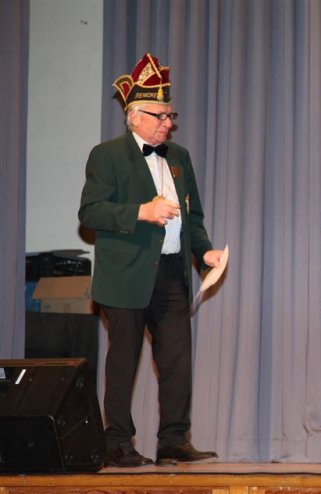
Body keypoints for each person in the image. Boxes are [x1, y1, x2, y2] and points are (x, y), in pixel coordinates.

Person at [79, 53, 223, 468]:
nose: (167, 123)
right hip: (126, 274)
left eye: (169, 115)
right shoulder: (107, 155)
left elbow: (193, 216)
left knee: (177, 359)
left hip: (172, 272)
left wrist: (204, 252)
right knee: (123, 361)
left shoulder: (179, 156)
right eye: (160, 116)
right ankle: (117, 443)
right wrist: (141, 211)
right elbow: (90, 212)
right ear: (134, 117)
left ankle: (174, 440)